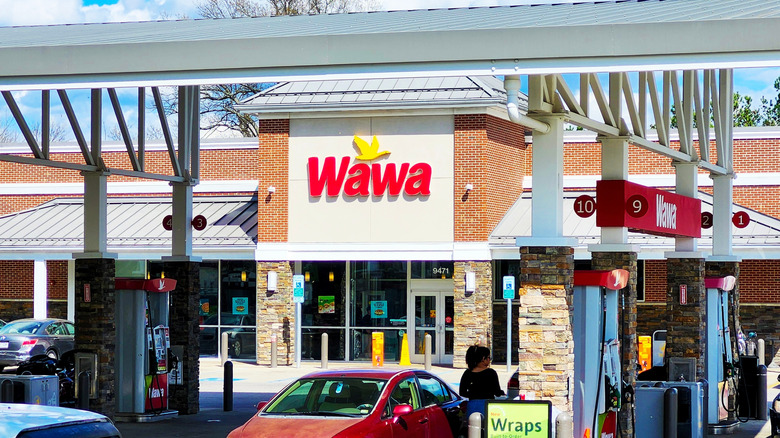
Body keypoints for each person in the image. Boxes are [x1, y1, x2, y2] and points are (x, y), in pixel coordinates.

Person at [459, 345, 505, 423]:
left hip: (472, 406)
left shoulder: (467, 373)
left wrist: (473, 394)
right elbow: (497, 391)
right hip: (487, 406)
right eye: (488, 358)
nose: (489, 360)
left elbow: (462, 392)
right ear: (483, 359)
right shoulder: (491, 373)